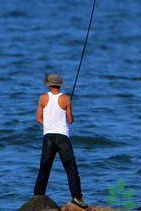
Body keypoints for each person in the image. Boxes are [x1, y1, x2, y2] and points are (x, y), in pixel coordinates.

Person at [33, 73, 88, 209]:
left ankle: (38, 195)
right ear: (59, 85)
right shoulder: (66, 99)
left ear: (49, 85)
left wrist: (48, 125)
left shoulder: (42, 98)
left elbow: (38, 118)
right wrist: (70, 109)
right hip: (62, 137)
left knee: (44, 167)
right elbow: (70, 120)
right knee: (71, 169)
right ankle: (77, 198)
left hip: (48, 137)